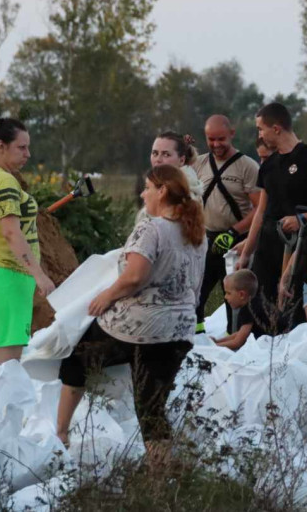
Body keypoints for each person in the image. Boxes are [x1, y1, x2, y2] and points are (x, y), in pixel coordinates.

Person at [56, 165, 206, 465]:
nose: (142, 193)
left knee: (76, 360)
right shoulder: (197, 233)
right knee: (152, 408)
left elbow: (135, 277)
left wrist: (105, 297)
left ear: (162, 191)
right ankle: (160, 480)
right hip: (179, 331)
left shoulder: (151, 228)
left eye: (148, 187)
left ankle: (60, 434)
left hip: (139, 326)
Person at [0, 116, 56, 408]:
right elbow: (10, 231)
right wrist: (39, 274)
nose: (28, 155)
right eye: (22, 148)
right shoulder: (4, 181)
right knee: (6, 365)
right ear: (1, 146)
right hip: (6, 276)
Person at [236, 103, 307, 335]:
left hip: (300, 248)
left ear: (276, 128)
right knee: (261, 309)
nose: (259, 135)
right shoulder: (268, 165)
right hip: (267, 248)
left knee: (293, 313)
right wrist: (246, 254)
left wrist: (303, 218)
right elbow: (261, 211)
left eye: (260, 129)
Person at [191, 115, 261, 332]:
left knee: (233, 295)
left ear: (232, 134)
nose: (216, 144)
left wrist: (234, 231)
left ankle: (235, 338)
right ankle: (197, 336)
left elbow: (259, 209)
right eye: (210, 139)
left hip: (236, 242)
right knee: (196, 291)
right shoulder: (199, 163)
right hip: (207, 239)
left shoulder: (247, 166)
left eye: (221, 139)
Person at [212, 269, 258, 351]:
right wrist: (217, 341)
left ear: (241, 295)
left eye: (228, 293)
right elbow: (240, 333)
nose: (225, 297)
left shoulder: (248, 310)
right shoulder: (253, 303)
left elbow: (238, 342)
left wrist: (213, 347)